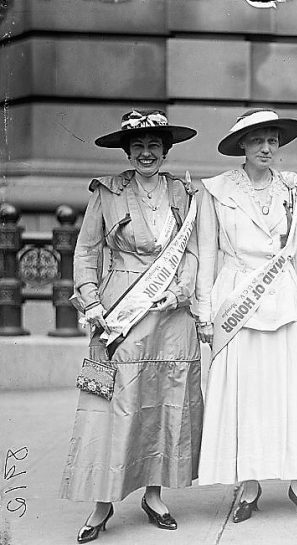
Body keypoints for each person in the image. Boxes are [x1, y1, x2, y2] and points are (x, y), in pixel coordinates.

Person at [61, 110, 202, 543]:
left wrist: (179, 292)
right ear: (127, 150)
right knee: (112, 406)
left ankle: (155, 495)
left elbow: (193, 252)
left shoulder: (183, 191)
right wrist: (90, 300)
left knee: (163, 400)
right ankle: (102, 502)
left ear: (166, 150)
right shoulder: (107, 192)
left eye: (154, 145)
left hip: (170, 314)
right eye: (138, 145)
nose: (146, 153)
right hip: (119, 310)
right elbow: (85, 252)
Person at [195, 109, 297, 521]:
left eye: (272, 140)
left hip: (286, 303)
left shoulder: (293, 190)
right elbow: (206, 254)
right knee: (248, 397)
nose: (266, 148)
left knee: (292, 395)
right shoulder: (217, 191)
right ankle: (250, 485)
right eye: (257, 141)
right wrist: (205, 311)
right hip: (238, 302)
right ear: (242, 145)